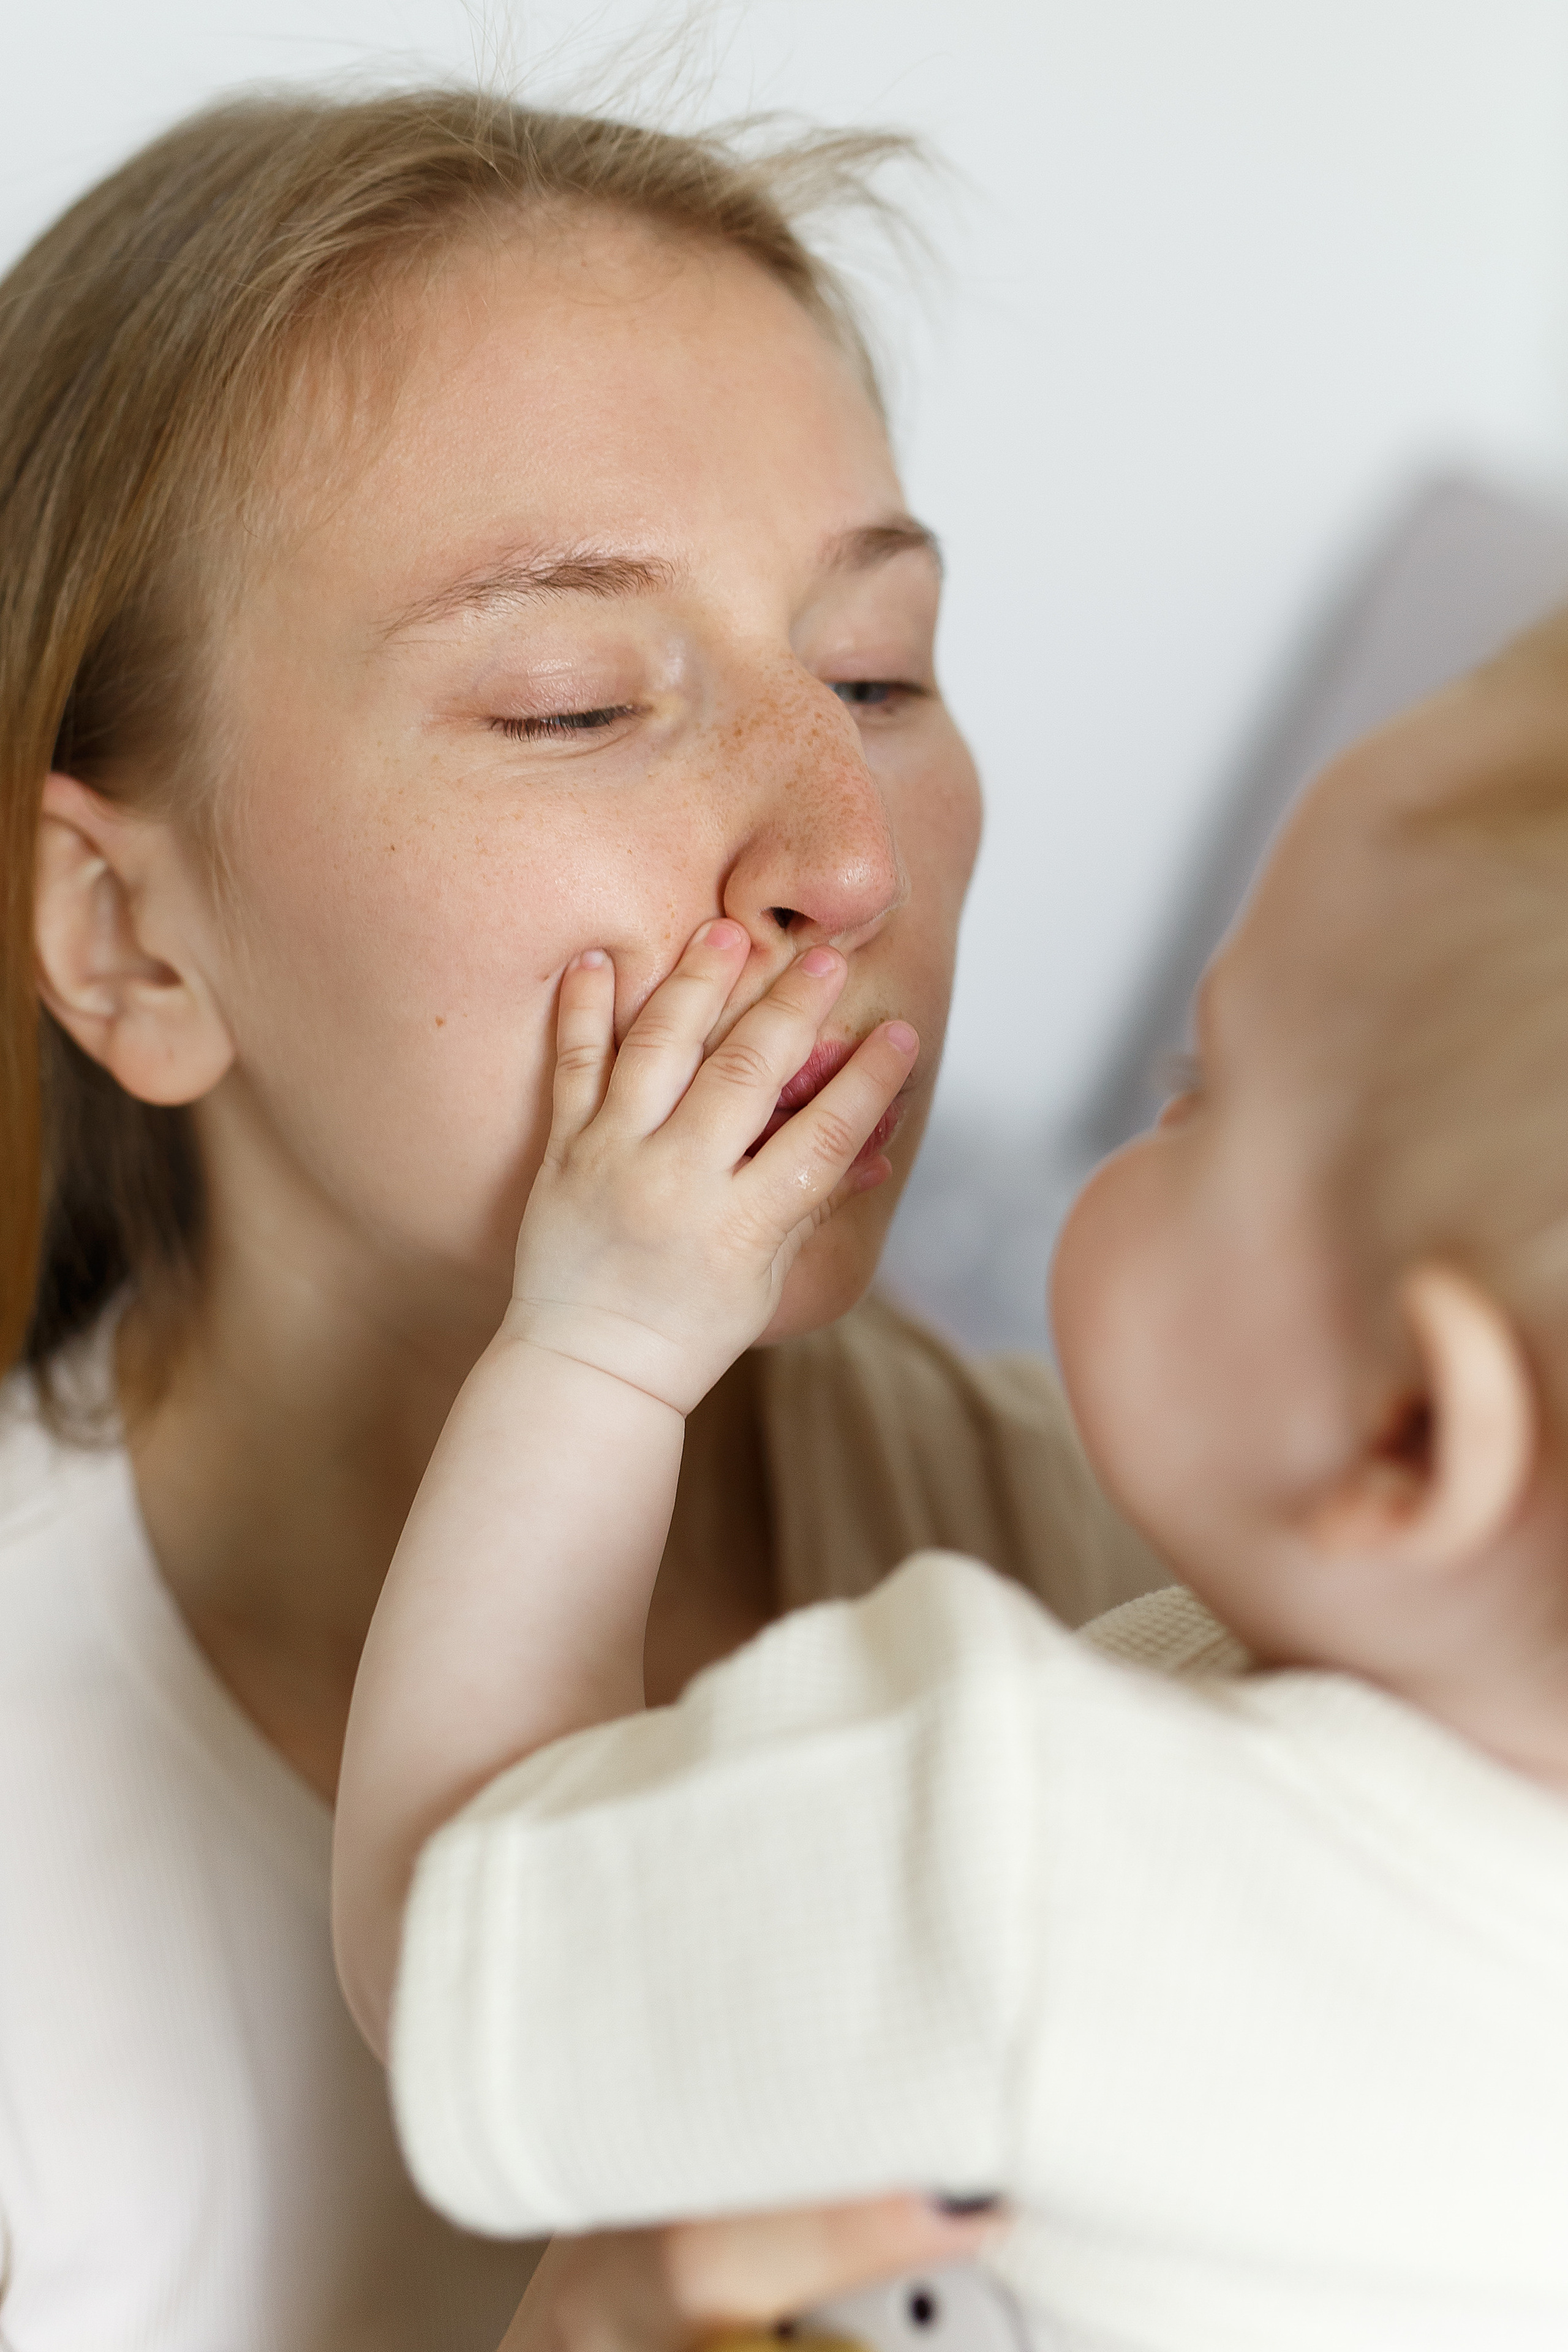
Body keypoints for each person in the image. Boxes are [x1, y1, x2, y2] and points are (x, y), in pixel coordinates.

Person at [0, 80, 1164, 2352]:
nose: (849, 855)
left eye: (880, 674)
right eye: (575, 704)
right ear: (133, 940)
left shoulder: (1117, 1583)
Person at [333, 620, 1568, 2352]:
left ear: (1412, 1439)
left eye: (1201, 1092)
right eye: (575, 708)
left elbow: (454, 1904)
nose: (845, 872)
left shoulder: (1029, 1841)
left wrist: (602, 1346)